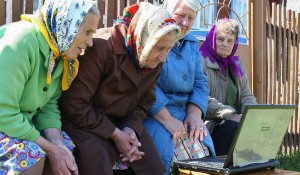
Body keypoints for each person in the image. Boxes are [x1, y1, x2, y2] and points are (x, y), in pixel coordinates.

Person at [59, 2, 181, 175]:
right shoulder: (101, 47)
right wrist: (115, 134)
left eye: (168, 49)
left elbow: (145, 102)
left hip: (123, 123)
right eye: (160, 48)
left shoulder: (151, 55)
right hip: (85, 123)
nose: (163, 57)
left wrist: (129, 129)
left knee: (151, 165)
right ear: (144, 36)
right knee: (97, 161)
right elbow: (74, 104)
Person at [0, 0, 100, 174]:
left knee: (67, 148)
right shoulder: (22, 42)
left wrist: (58, 145)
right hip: (4, 123)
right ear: (68, 23)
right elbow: (3, 112)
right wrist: (51, 150)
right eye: (87, 32)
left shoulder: (59, 52)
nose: (90, 42)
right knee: (31, 156)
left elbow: (48, 106)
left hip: (18, 124)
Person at [143, 0, 216, 174]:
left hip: (185, 114)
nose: (185, 23)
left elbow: (200, 81)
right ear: (168, 12)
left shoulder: (190, 43)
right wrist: (168, 120)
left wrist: (194, 114)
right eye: (180, 15)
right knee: (169, 162)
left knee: (204, 160)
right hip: (156, 114)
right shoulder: (155, 36)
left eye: (191, 17)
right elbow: (146, 82)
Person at [199, 18, 257, 156]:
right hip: (211, 126)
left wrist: (250, 116)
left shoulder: (236, 65)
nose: (225, 44)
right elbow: (201, 98)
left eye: (229, 40)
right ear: (212, 39)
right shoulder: (201, 61)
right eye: (220, 39)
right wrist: (230, 115)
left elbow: (246, 95)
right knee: (233, 130)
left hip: (235, 122)